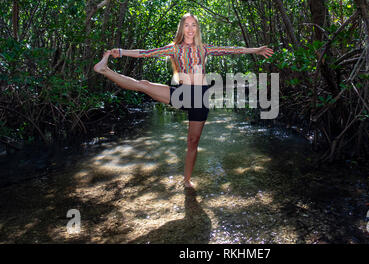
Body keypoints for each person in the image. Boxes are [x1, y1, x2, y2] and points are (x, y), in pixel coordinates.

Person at [93, 13, 274, 188]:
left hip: (200, 98)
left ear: (197, 28)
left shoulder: (205, 48)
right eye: (186, 25)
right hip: (182, 93)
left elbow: (232, 50)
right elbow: (145, 53)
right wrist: (122, 52)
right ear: (182, 28)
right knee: (144, 85)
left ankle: (187, 180)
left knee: (193, 141)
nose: (190, 29)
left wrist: (256, 50)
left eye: (193, 25)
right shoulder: (173, 48)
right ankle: (105, 70)